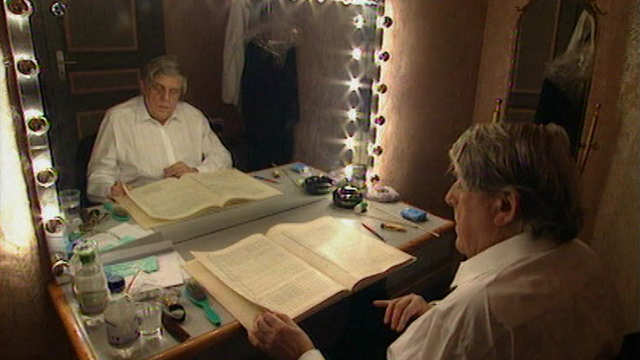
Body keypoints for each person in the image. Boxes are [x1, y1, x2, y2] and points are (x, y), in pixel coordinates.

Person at [248, 123, 625, 360]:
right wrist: (438, 317)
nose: (450, 197)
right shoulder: (586, 261)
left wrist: (302, 352)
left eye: (463, 184)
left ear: (505, 206)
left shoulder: (474, 315)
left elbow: (482, 325)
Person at [87, 56, 232, 203]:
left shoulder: (192, 116)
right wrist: (112, 190)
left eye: (173, 91)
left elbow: (222, 157)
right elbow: (97, 178)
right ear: (144, 87)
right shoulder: (118, 119)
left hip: (191, 199)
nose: (165, 98)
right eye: (158, 89)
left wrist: (196, 172)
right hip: (142, 204)